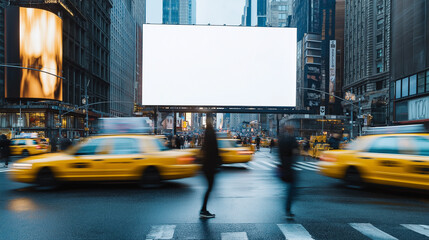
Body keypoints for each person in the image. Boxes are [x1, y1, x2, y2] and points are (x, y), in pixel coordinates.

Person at [200, 118, 221, 219]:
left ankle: (203, 209)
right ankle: (203, 210)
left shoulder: (207, 132)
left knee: (209, 187)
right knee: (209, 187)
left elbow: (204, 148)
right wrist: (217, 162)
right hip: (209, 165)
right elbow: (214, 149)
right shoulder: (211, 132)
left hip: (206, 165)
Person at [278, 126, 299, 219]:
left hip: (283, 166)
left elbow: (278, 153)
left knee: (290, 189)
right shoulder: (292, 139)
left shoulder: (281, 140)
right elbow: (295, 151)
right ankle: (288, 209)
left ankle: (287, 209)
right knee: (292, 190)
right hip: (290, 167)